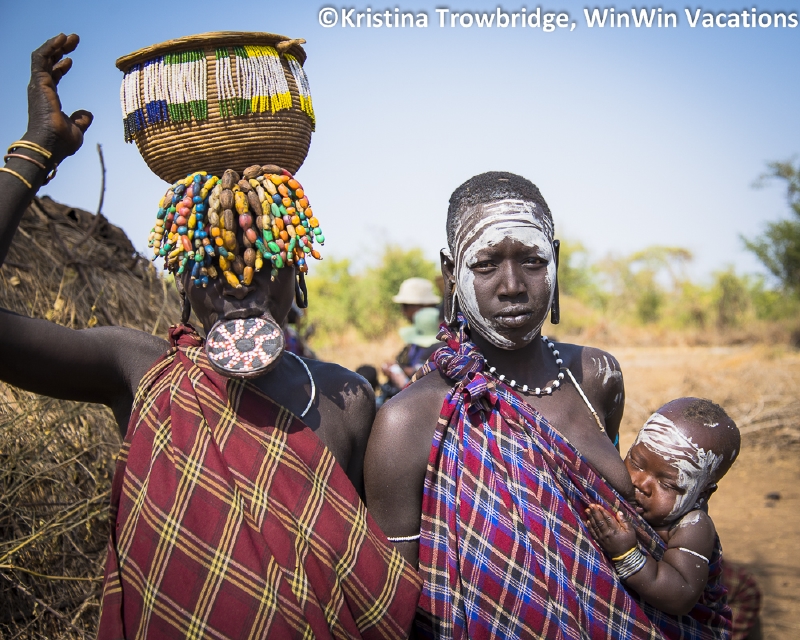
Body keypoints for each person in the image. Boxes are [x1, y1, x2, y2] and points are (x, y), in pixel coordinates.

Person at [0, 34, 420, 638]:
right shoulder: (138, 370)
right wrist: (36, 150)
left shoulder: (345, 401)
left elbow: (375, 588)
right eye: (211, 262)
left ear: (297, 276)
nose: (239, 283)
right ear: (182, 283)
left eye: (262, 258)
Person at [365, 171, 726, 639]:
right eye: (486, 263)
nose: (513, 285)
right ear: (451, 273)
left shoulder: (596, 377)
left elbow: (614, 524)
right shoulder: (407, 422)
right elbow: (396, 606)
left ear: (555, 259)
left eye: (533, 261)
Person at [585, 398, 737, 630]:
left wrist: (626, 554)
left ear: (702, 494)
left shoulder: (694, 526)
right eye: (636, 462)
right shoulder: (614, 492)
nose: (642, 484)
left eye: (666, 484)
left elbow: (681, 595)